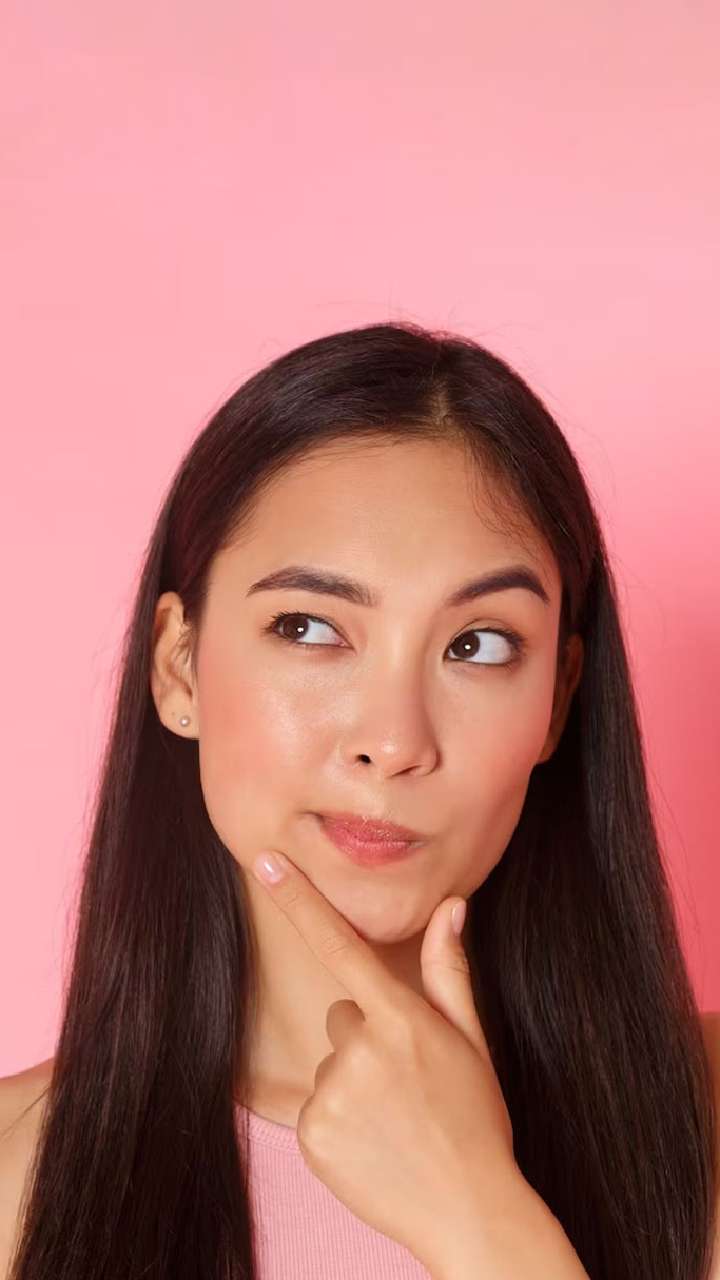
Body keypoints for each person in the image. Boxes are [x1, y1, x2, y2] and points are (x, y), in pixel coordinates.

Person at [0, 321, 718, 1279]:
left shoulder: (707, 1120)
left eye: (478, 646)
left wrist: (477, 1215)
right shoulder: (16, 1179)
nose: (394, 741)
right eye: (309, 628)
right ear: (178, 668)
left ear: (557, 702)